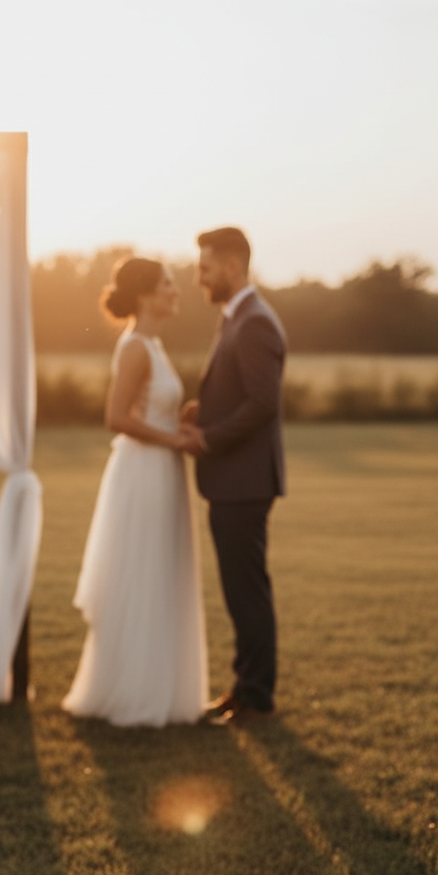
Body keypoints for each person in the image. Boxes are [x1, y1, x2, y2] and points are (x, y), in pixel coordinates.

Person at [63, 257, 208, 727]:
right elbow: (117, 418)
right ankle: (132, 694)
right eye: (168, 284)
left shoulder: (154, 344)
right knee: (143, 573)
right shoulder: (134, 348)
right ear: (145, 295)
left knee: (162, 573)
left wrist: (179, 421)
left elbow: (150, 410)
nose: (176, 291)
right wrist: (175, 440)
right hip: (143, 473)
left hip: (162, 469)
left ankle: (162, 690)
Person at [181, 227, 287, 727]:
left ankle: (256, 696)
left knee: (247, 591)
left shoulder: (255, 322)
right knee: (240, 589)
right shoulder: (238, 318)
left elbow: (264, 404)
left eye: (205, 267)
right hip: (234, 480)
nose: (199, 277)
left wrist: (209, 437)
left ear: (231, 265)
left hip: (243, 482)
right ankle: (243, 686)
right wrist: (207, 411)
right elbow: (243, 393)